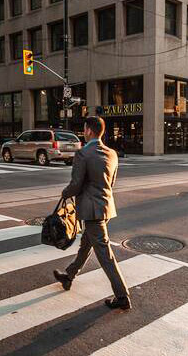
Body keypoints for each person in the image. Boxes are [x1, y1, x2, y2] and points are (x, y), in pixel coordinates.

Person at [53, 116, 131, 310]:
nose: (84, 132)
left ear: (88, 130)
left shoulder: (83, 154)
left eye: (84, 129)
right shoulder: (112, 153)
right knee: (86, 245)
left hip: (91, 210)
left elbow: (76, 184)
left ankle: (122, 296)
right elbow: (110, 183)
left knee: (105, 254)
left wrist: (65, 193)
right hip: (105, 207)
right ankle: (69, 276)